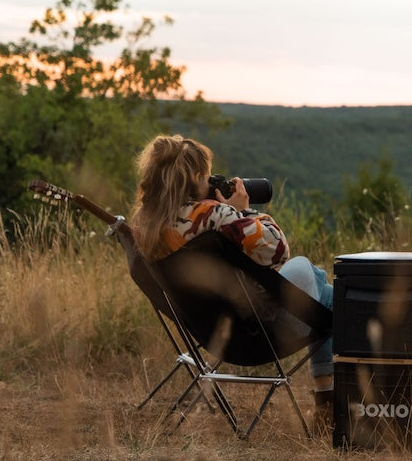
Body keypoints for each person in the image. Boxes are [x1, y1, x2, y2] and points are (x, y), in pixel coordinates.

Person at [130, 134, 334, 413]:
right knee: (307, 271)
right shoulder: (214, 216)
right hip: (259, 334)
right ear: (197, 178)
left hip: (209, 334)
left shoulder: (143, 227)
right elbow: (278, 251)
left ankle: (328, 400)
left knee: (329, 296)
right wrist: (242, 210)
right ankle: (330, 401)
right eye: (207, 177)